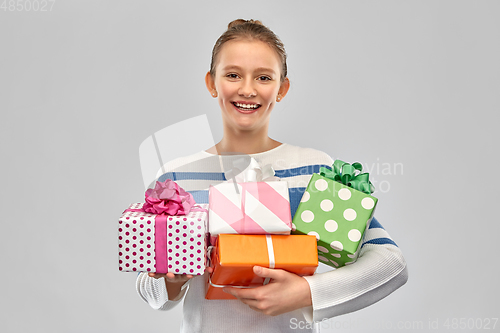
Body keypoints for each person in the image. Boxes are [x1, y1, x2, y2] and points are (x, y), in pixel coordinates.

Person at [136, 19, 408, 333]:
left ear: (282, 88)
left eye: (263, 77)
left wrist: (306, 293)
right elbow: (151, 290)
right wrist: (172, 279)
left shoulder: (314, 170)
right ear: (212, 83)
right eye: (233, 74)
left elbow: (390, 261)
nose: (247, 89)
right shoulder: (175, 178)